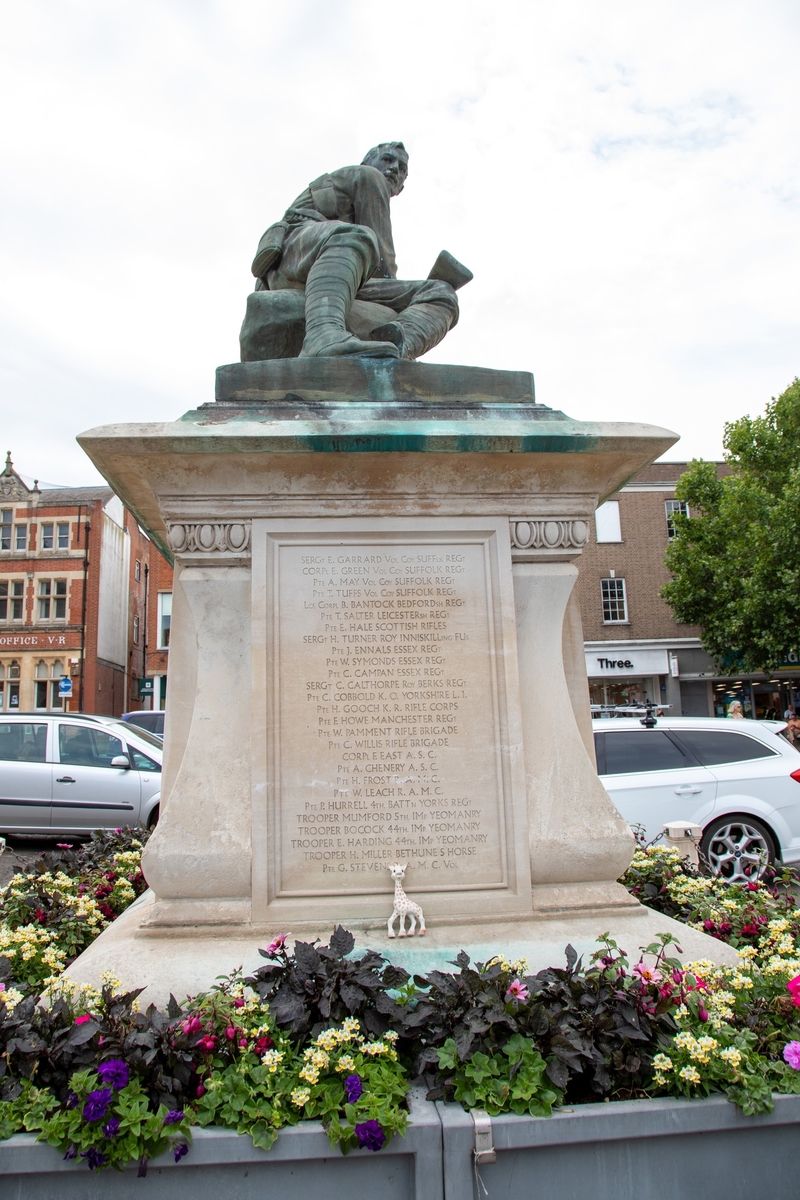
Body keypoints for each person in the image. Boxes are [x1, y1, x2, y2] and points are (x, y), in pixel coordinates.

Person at [250, 142, 460, 360]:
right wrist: (396, 294)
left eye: (402, 169)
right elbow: (381, 258)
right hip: (297, 258)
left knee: (441, 292)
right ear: (367, 163)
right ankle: (321, 333)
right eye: (387, 160)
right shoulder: (367, 175)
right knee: (358, 236)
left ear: (401, 188)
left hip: (345, 273)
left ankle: (394, 350)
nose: (395, 169)